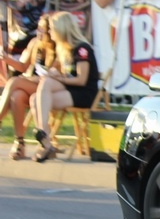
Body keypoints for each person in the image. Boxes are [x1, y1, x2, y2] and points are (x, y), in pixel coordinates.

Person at [30, 12, 100, 162]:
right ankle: (47, 143)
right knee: (35, 98)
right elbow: (67, 75)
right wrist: (56, 73)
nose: (49, 32)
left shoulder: (82, 49)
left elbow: (81, 80)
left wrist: (58, 77)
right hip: (71, 90)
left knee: (45, 86)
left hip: (84, 93)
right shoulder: (64, 49)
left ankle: (43, 135)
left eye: (52, 29)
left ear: (62, 29)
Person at [0, 14, 57, 160]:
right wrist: (6, 59)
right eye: (38, 29)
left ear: (51, 32)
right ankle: (20, 143)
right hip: (34, 85)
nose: (38, 32)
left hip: (50, 88)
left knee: (14, 82)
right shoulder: (35, 43)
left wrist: (34, 79)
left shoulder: (58, 48)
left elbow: (53, 76)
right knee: (17, 95)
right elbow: (23, 66)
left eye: (42, 30)